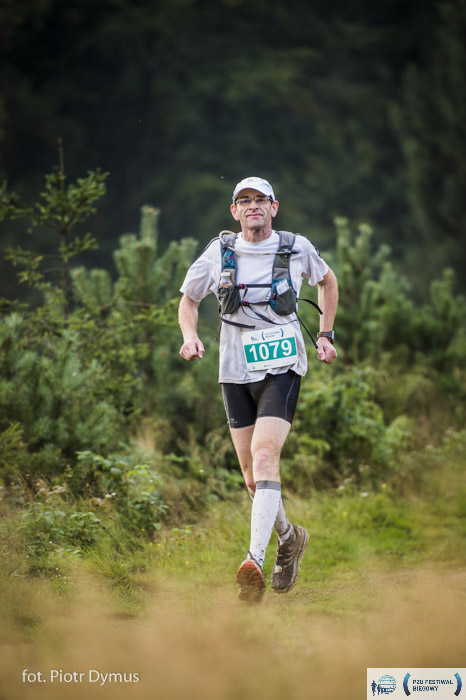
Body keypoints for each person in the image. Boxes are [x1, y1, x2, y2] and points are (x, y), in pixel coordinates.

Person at [178, 176, 338, 602]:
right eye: (244, 200)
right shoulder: (219, 252)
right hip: (234, 369)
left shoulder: (295, 247)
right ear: (234, 211)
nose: (253, 206)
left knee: (266, 456)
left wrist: (326, 334)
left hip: (283, 364)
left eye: (260, 200)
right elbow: (189, 299)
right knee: (252, 477)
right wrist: (190, 336)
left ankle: (254, 560)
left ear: (274, 207)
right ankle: (289, 538)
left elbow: (328, 281)